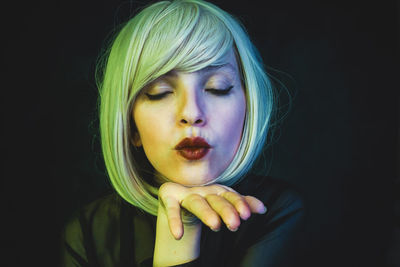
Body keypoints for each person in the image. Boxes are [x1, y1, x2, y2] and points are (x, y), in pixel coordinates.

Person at [60, 0, 305, 266]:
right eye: (160, 92)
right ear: (131, 127)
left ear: (248, 106)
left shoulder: (277, 213)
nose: (191, 113)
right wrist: (179, 234)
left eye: (217, 88)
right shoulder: (86, 234)